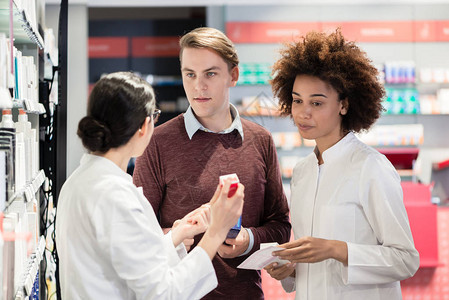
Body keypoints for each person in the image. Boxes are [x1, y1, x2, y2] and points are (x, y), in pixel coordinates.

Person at [55, 72, 245, 300]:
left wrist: (176, 235)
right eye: (154, 117)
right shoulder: (116, 196)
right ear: (144, 126)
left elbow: (128, 262)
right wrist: (216, 233)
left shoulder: (79, 181)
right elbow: (164, 293)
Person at [133, 27, 291, 299]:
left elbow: (280, 225)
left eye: (210, 74)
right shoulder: (157, 143)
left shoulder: (260, 140)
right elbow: (138, 236)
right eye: (190, 74)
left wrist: (248, 240)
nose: (198, 86)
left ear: (233, 75)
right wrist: (181, 232)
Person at [263, 29, 420, 299]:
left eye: (317, 102)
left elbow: (405, 259)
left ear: (344, 105)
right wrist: (290, 270)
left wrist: (337, 249)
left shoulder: (371, 167)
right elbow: (313, 264)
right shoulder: (303, 172)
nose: (303, 112)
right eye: (297, 100)